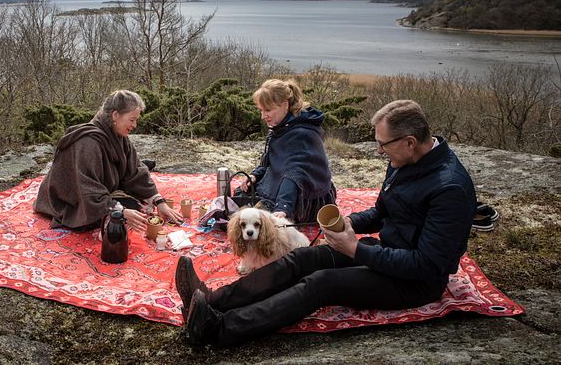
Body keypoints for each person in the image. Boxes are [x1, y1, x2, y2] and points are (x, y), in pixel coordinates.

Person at [176, 99, 476, 347]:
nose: (379, 151)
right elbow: (382, 212)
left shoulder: (450, 189)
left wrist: (356, 250)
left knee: (321, 283)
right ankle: (213, 300)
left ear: (410, 142)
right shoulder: (404, 160)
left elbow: (426, 265)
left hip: (414, 282)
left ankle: (218, 329)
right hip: (386, 252)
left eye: (383, 145)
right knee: (304, 257)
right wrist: (348, 222)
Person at [34, 90, 182, 231]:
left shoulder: (118, 135)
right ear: (115, 115)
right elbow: (86, 189)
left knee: (139, 209)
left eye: (136, 120)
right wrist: (119, 211)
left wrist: (159, 202)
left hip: (98, 193)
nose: (135, 125)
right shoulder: (88, 143)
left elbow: (135, 171)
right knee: (123, 218)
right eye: (132, 119)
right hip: (71, 200)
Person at [235, 78, 335, 223]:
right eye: (261, 110)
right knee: (241, 196)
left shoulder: (302, 134)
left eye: (268, 110)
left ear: (285, 105)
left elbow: (295, 174)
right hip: (282, 183)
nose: (263, 116)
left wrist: (283, 207)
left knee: (259, 220)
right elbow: (271, 162)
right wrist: (255, 176)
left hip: (303, 197)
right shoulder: (283, 126)